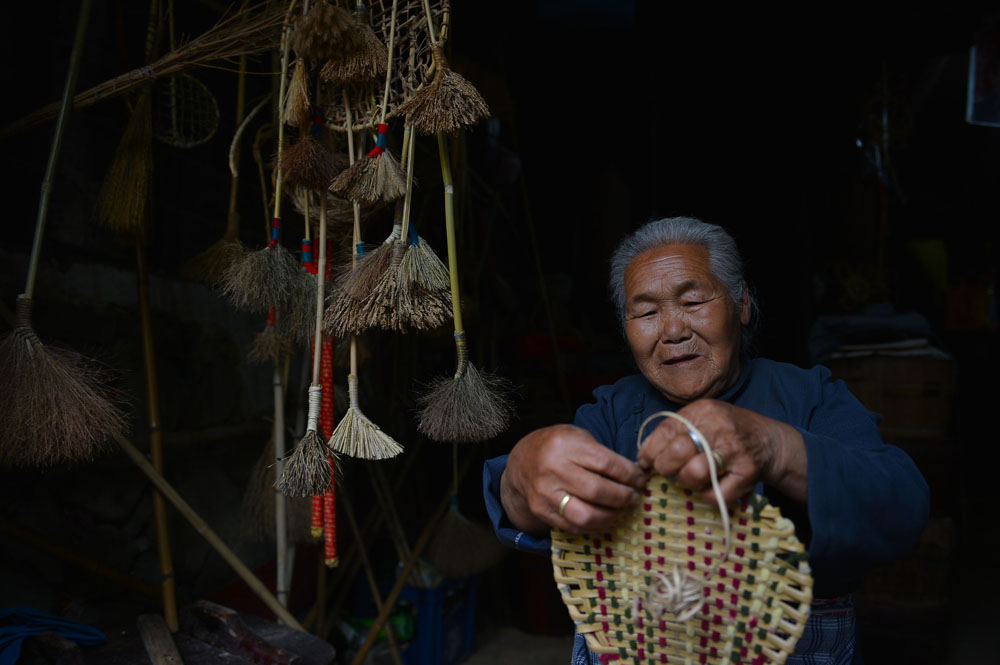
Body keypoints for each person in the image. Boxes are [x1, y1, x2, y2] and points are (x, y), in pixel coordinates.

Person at [482, 217, 929, 665]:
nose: (673, 330)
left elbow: (902, 508)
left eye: (693, 301)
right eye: (647, 313)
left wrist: (775, 448)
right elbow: (521, 503)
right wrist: (521, 475)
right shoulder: (613, 411)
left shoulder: (810, 395)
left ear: (742, 303)